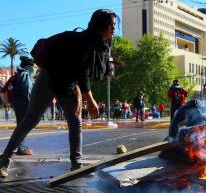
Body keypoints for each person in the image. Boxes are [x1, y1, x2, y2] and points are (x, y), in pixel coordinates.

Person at [0, 9, 118, 178]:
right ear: (101, 26)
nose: (114, 28)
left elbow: (78, 73)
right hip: (49, 79)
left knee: (75, 122)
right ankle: (4, 160)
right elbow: (82, 74)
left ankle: (76, 165)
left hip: (68, 84)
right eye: (112, 25)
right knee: (30, 121)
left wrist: (78, 91)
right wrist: (90, 100)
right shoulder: (84, 42)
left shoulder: (101, 45)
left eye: (115, 24)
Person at [11, 56, 37, 155]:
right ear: (29, 66)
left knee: (21, 126)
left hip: (19, 104)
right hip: (24, 104)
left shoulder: (20, 74)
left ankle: (19, 147)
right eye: (34, 66)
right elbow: (27, 92)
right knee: (23, 126)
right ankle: (20, 147)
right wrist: (31, 106)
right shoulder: (26, 75)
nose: (36, 68)